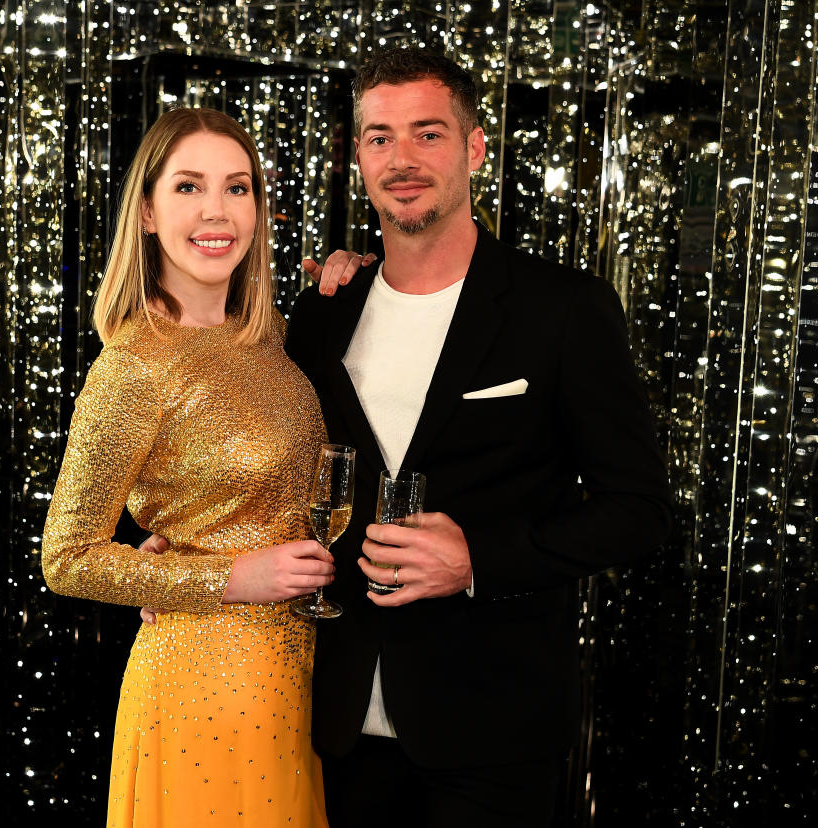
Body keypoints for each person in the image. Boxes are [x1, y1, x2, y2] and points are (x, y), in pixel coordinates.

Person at [283, 47, 675, 827]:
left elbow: (640, 510)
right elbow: (271, 465)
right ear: (357, 156)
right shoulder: (323, 310)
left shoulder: (563, 309)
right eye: (379, 137)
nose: (402, 160)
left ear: (475, 147)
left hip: (494, 734)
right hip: (334, 725)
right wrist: (177, 553)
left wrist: (478, 562)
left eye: (428, 134)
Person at [41, 108, 337, 827]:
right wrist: (231, 576)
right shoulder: (135, 366)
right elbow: (67, 557)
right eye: (188, 187)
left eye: (238, 188)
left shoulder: (269, 340)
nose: (216, 211)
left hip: (300, 681)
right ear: (146, 211)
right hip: (204, 690)